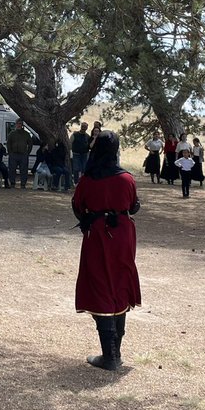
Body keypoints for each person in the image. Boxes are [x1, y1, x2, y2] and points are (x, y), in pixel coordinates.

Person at [72, 131, 140, 371]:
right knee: (119, 281)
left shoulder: (87, 180)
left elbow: (78, 207)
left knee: (100, 283)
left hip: (98, 236)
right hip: (122, 235)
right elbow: (134, 205)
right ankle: (114, 353)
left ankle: (110, 356)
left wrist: (94, 216)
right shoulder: (126, 179)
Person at [7, 120, 33, 189]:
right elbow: (8, 143)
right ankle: (12, 183)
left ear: (22, 125)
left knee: (24, 170)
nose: (19, 125)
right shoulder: (12, 133)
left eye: (20, 124)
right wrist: (10, 152)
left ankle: (23, 184)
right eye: (17, 124)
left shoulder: (26, 134)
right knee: (12, 169)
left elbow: (30, 144)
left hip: (23, 155)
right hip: (13, 154)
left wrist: (27, 153)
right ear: (15, 124)